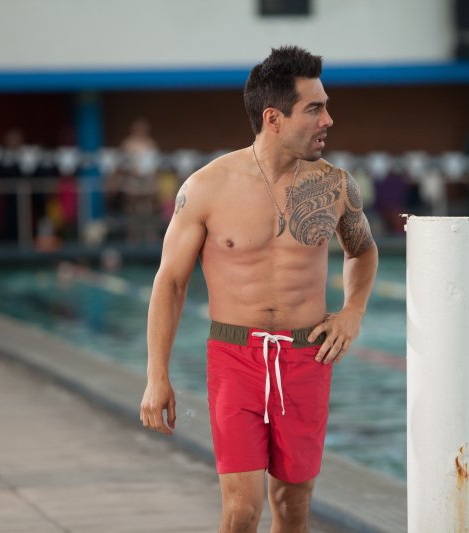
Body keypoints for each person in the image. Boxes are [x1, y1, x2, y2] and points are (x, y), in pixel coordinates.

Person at [139, 45, 378, 532]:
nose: (328, 120)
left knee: (292, 508)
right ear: (273, 118)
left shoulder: (335, 186)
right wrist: (156, 375)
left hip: (308, 356)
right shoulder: (206, 187)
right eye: (314, 109)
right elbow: (171, 281)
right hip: (235, 357)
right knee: (241, 511)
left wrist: (353, 311)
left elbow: (363, 250)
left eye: (326, 106)